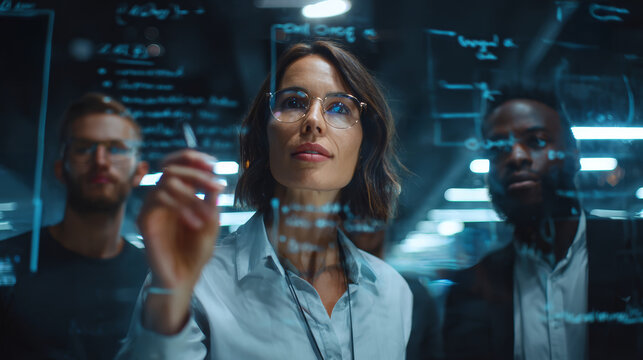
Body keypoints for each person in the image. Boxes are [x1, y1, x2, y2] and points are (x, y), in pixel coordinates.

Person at [117, 40, 413, 359]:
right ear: (264, 136)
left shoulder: (392, 293)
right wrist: (170, 299)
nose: (313, 120)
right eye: (294, 102)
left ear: (363, 144)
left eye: (339, 107)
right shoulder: (196, 281)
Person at [441, 86, 643, 359]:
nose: (516, 157)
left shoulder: (634, 251)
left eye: (536, 141)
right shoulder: (473, 288)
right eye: (499, 148)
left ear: (574, 154)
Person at [0, 93, 150, 359]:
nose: (100, 160)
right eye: (84, 147)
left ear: (139, 172)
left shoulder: (155, 276)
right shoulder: (9, 262)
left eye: (116, 148)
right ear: (61, 169)